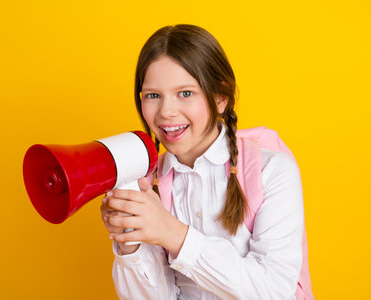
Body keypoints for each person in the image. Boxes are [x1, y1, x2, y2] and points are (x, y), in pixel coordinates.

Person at [100, 24, 313, 299]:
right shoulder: (149, 185)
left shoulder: (272, 171)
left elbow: (273, 291)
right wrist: (131, 241)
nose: (166, 111)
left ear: (221, 97)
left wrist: (173, 234)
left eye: (185, 93)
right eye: (153, 95)